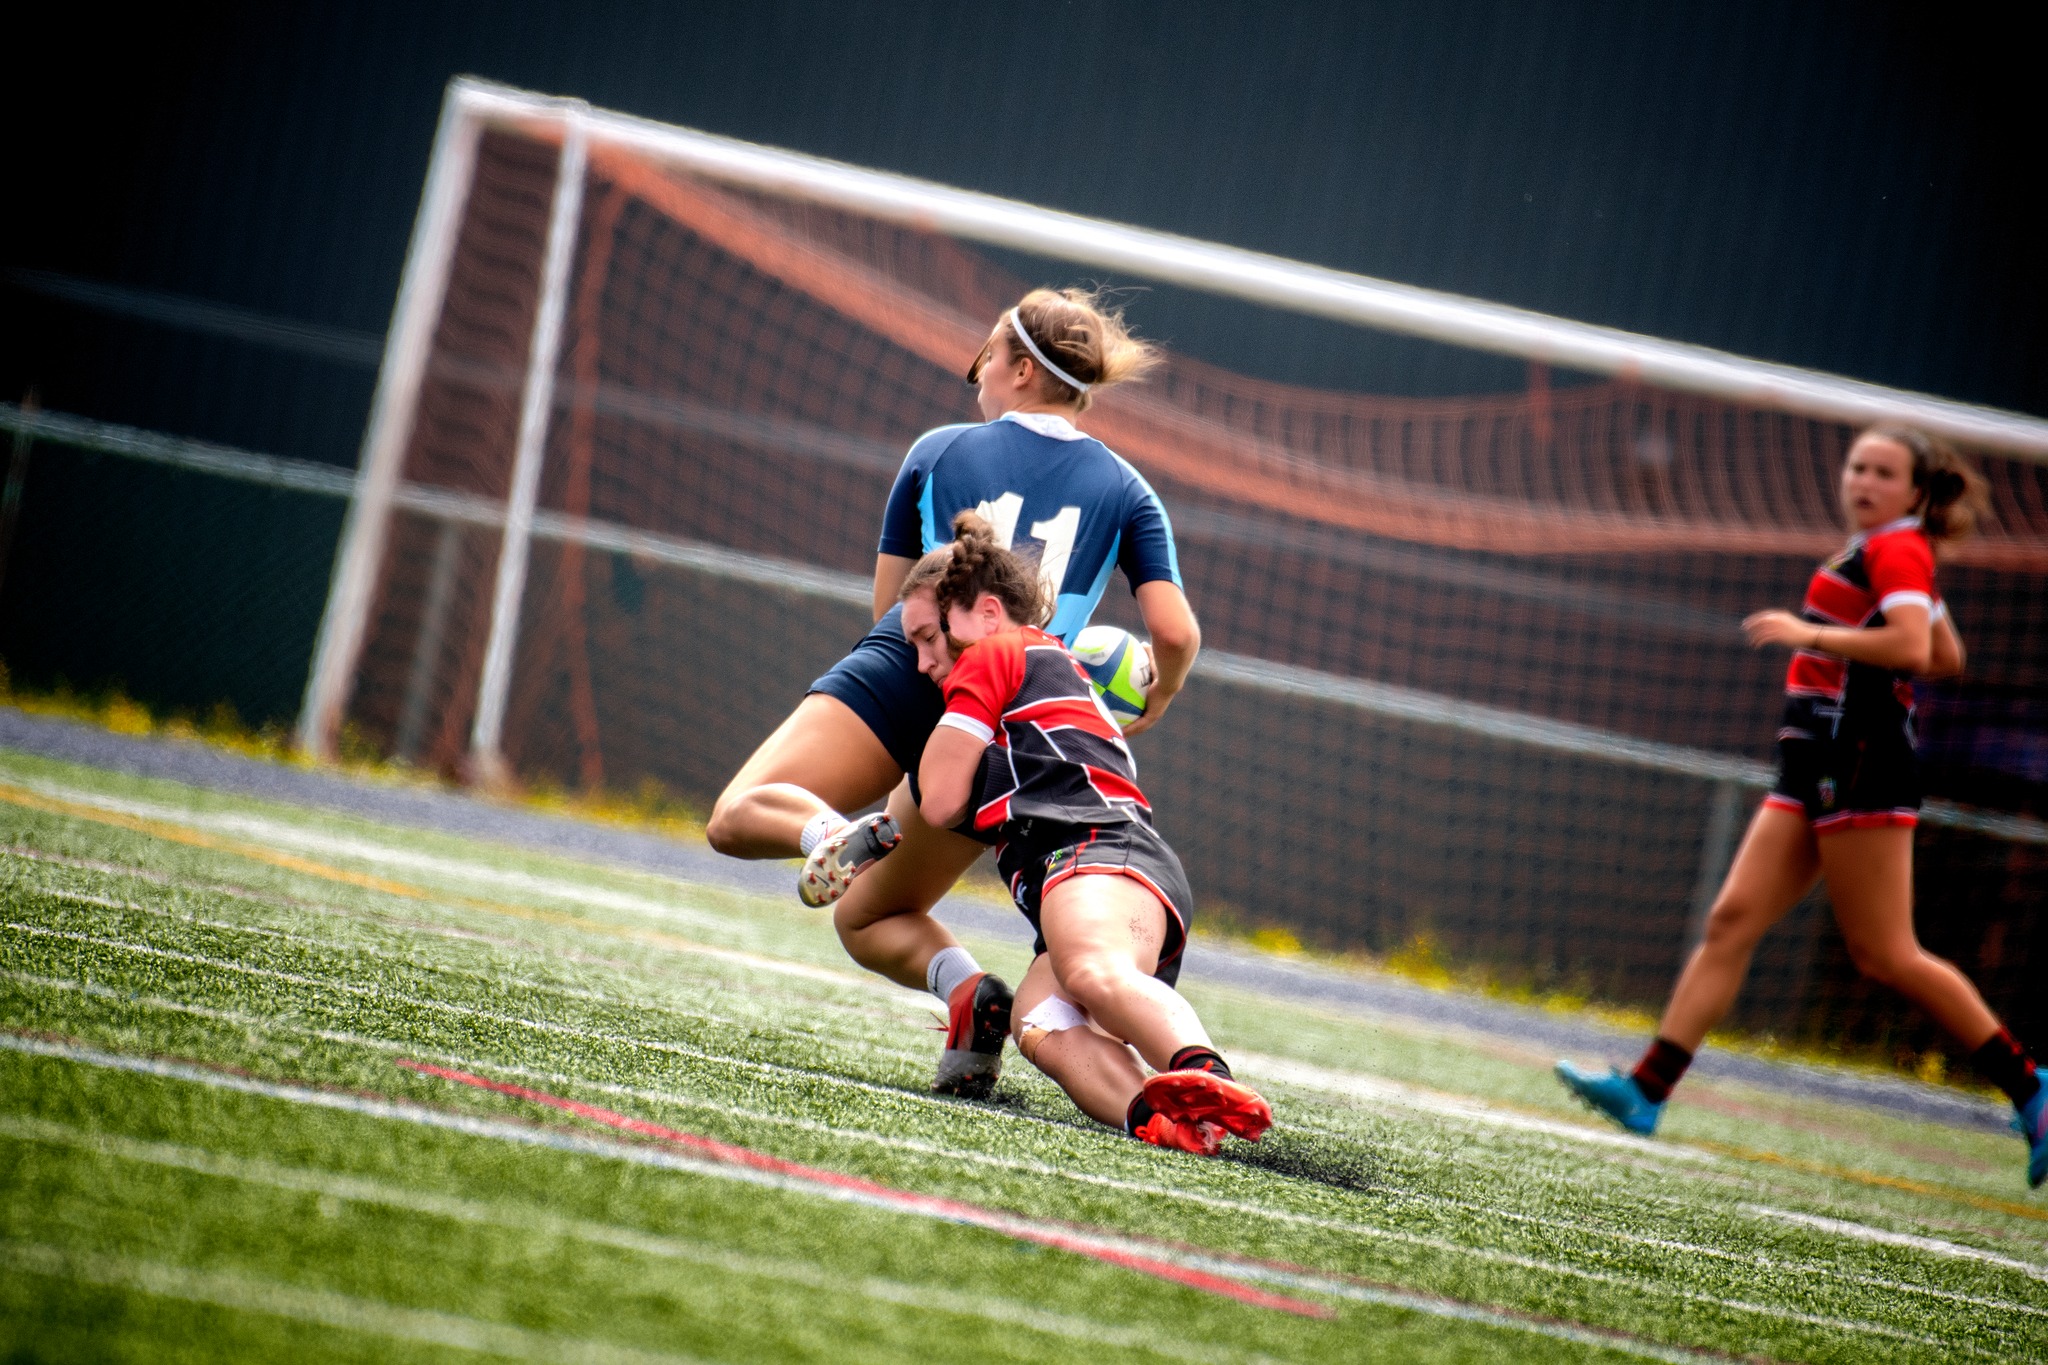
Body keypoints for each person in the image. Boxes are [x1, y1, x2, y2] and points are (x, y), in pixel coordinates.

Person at [705, 288, 1202, 1099]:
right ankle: (973, 998)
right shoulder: (1129, 490)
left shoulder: (938, 450)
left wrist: (917, 676)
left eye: (985, 355)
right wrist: (1161, 696)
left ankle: (830, 831)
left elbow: (893, 607)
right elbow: (1175, 635)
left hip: (912, 674)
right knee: (865, 914)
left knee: (738, 816)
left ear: (1013, 368)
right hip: (1003, 723)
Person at [1556, 425, 2047, 1189]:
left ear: (1917, 491)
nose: (1864, 480)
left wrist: (1806, 632)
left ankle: (2033, 1087)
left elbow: (1915, 650)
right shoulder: (1887, 549)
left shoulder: (1896, 547)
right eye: (1857, 466)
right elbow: (1947, 653)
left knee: (1886, 952)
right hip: (1814, 762)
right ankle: (1646, 1089)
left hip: (1858, 762)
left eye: (1884, 471)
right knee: (1732, 921)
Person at [899, 511, 1270, 1153]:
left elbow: (938, 804)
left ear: (988, 615)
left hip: (1094, 854)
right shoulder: (1041, 660)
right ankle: (1164, 1121)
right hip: (1116, 870)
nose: (925, 661)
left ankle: (1205, 1074)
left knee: (1089, 971)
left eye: (930, 637)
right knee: (1040, 1019)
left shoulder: (994, 654)